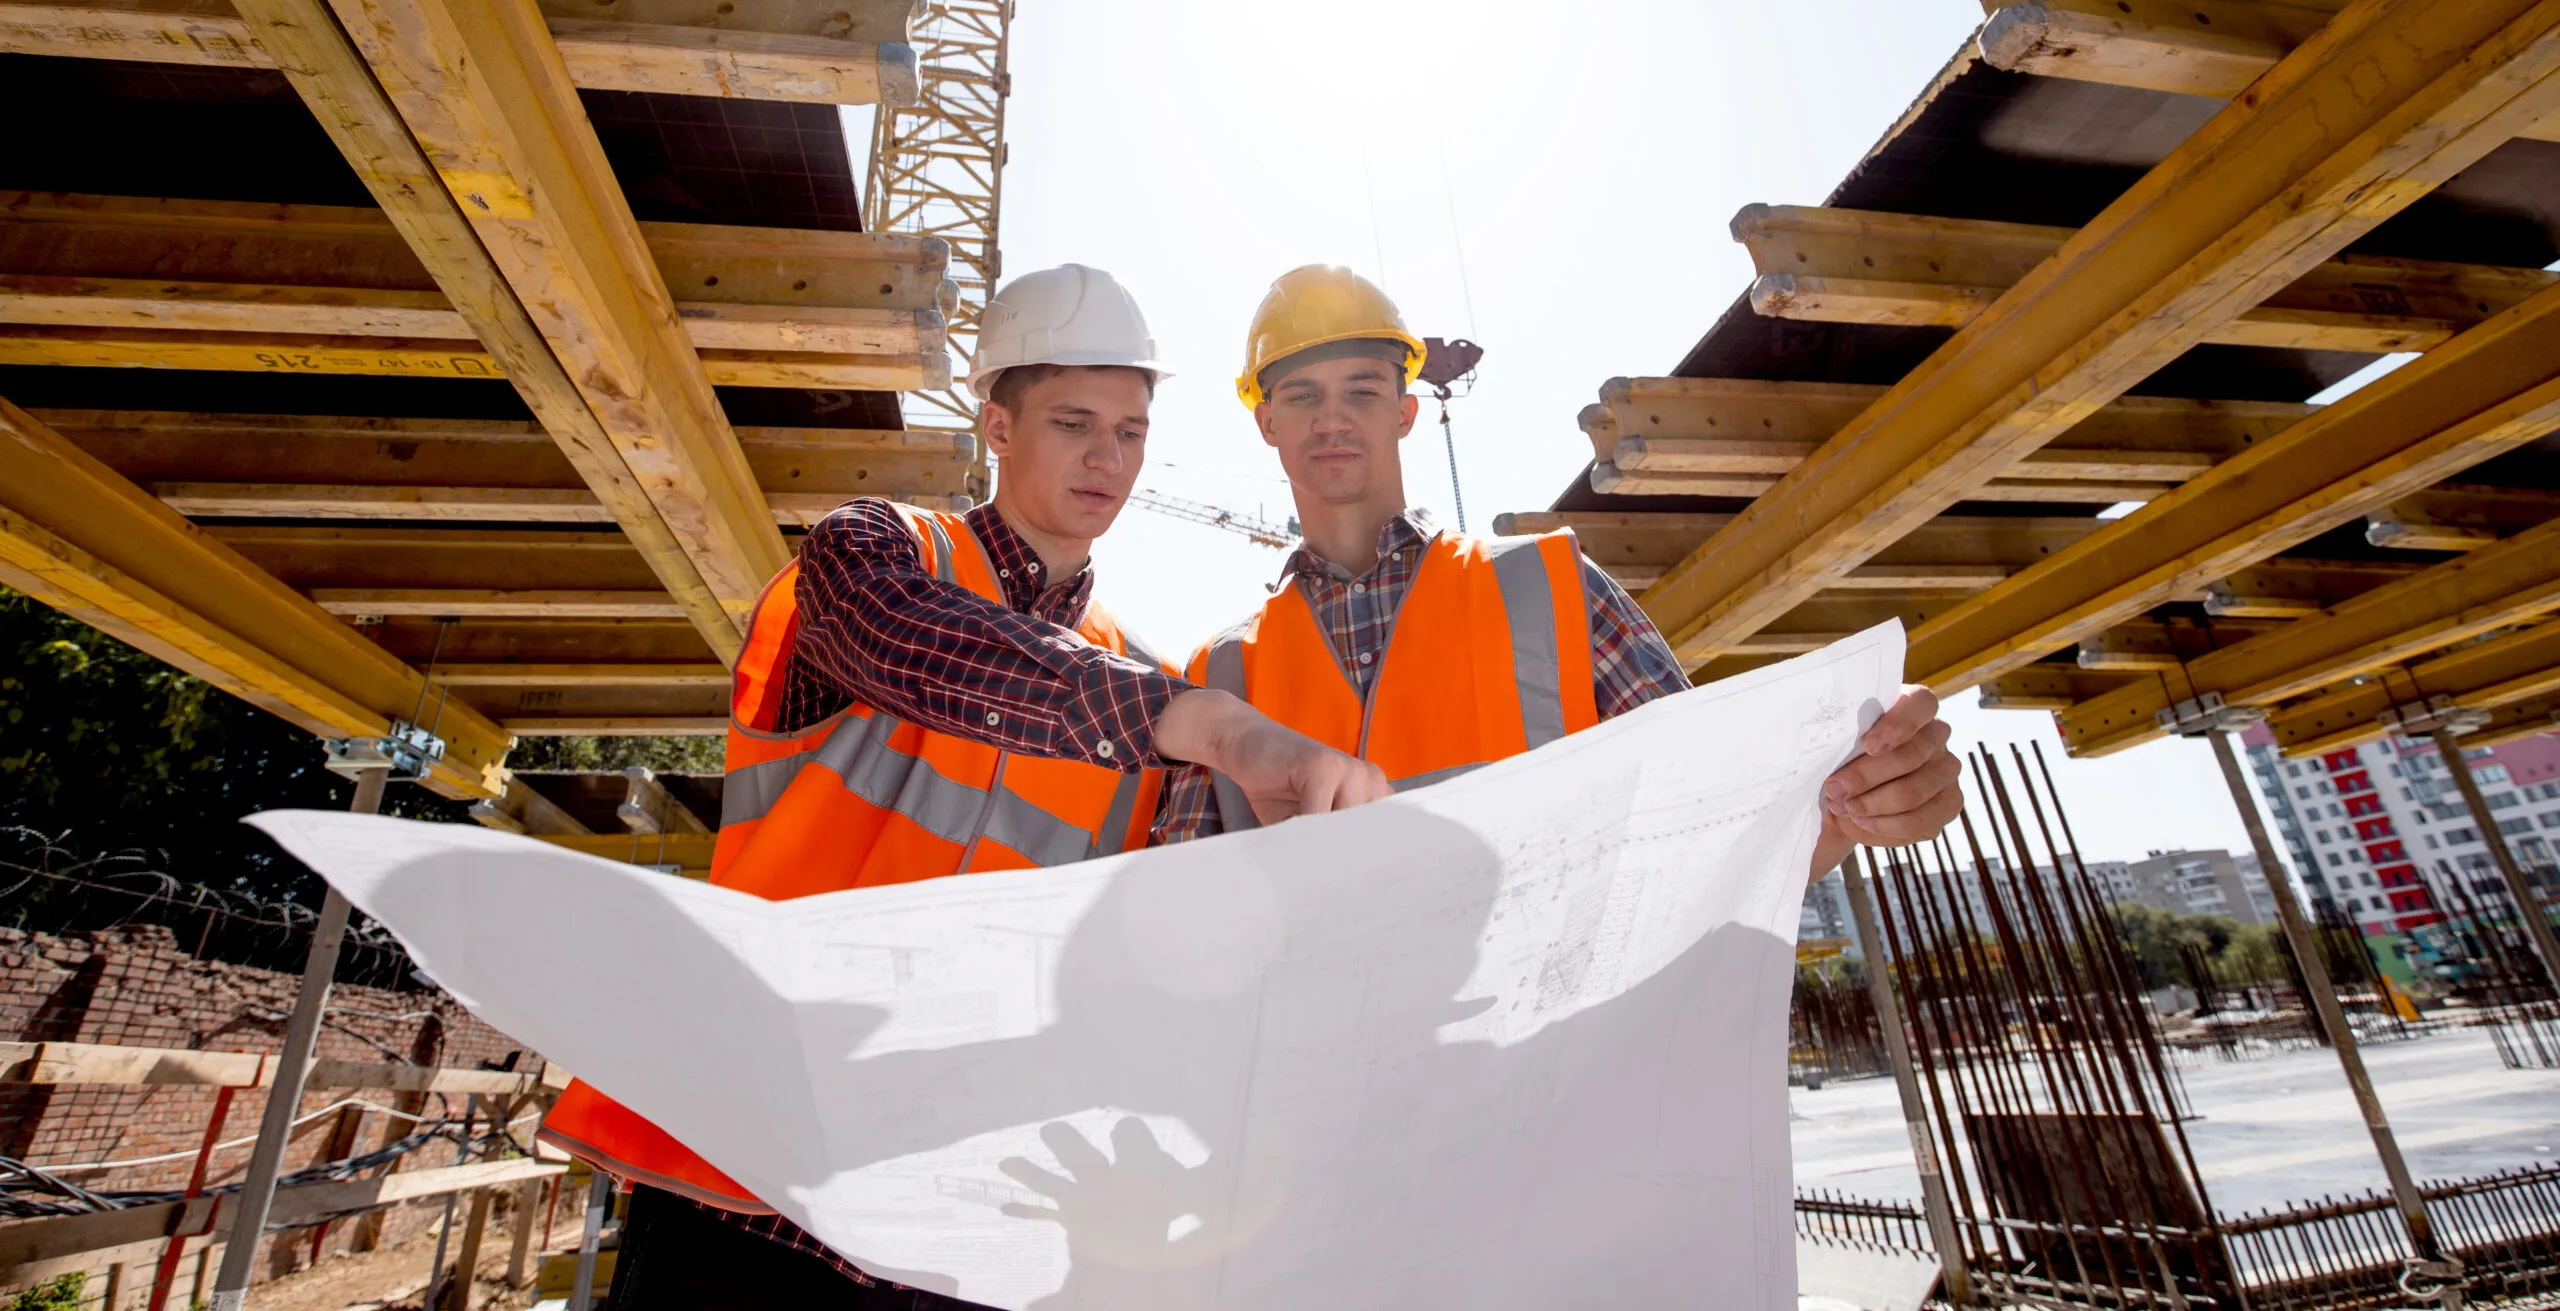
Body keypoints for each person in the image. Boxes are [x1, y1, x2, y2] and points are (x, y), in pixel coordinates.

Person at [542, 264, 1388, 1311]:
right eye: (1073, 422)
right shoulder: (879, 556)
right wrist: (1205, 724)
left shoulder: (1142, 675)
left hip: (953, 1213)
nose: (1106, 458)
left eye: (1129, 432)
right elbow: (906, 642)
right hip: (751, 1183)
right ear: (995, 423)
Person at [1161, 263, 1962, 878]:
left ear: (1405, 408)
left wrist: (1858, 808)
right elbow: (1180, 919)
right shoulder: (1220, 677)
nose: (1331, 418)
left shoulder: (1549, 589)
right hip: (1325, 1085)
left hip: (1552, 1073)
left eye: (1361, 389)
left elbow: (1715, 823)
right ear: (1266, 421)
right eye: (1301, 395)